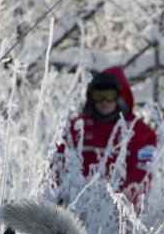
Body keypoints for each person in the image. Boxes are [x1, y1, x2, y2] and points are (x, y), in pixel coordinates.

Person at [53, 66, 157, 210]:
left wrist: (118, 205)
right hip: (76, 209)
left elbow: (141, 175)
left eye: (109, 94)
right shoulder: (75, 128)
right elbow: (57, 165)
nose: (104, 101)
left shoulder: (141, 133)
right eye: (99, 95)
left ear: (120, 96)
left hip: (119, 213)